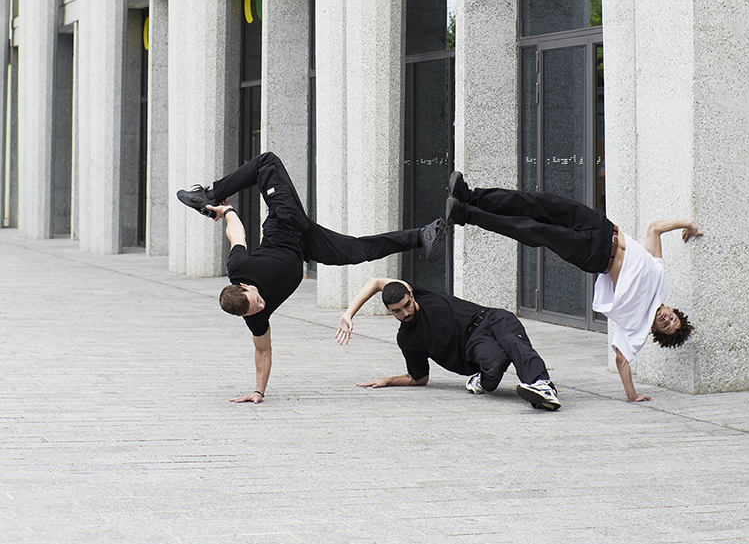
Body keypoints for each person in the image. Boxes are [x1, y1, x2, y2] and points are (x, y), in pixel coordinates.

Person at [177, 152, 446, 403]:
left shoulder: (239, 269)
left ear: (244, 287)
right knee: (357, 251)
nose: (260, 305)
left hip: (284, 222)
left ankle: (209, 194)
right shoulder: (255, 317)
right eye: (254, 309)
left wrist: (227, 211)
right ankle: (422, 236)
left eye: (255, 300)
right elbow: (262, 352)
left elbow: (237, 235)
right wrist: (258, 391)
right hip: (306, 245)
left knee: (266, 162)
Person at [444, 171, 701, 403]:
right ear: (672, 309)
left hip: (593, 254)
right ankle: (470, 196)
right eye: (673, 318)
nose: (667, 320)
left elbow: (622, 360)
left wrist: (631, 395)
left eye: (666, 326)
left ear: (656, 329)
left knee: (532, 229)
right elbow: (654, 229)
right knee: (537, 203)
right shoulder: (660, 280)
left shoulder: (637, 327)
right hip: (602, 226)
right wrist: (687, 223)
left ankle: (464, 214)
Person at [334, 277, 561, 410]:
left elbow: (374, 282)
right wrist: (388, 380)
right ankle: (483, 379)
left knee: (512, 339)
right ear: (389, 311)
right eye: (397, 311)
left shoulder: (417, 293)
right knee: (494, 362)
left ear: (411, 296)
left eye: (406, 305)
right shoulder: (407, 338)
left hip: (490, 317)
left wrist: (349, 314)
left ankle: (541, 385)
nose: (405, 313)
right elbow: (419, 378)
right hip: (475, 342)